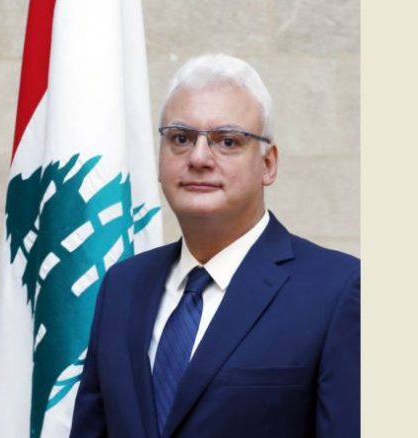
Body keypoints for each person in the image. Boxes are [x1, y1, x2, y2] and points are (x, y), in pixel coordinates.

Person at [69, 54, 360, 438]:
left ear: (268, 164)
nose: (199, 158)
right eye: (181, 138)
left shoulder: (338, 290)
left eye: (227, 141)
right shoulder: (122, 285)